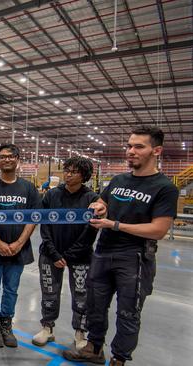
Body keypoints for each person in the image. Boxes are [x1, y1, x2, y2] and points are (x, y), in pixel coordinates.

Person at [63, 126, 178, 365]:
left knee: (128, 312)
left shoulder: (164, 187)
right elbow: (102, 201)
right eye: (129, 146)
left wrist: (114, 224)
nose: (131, 151)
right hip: (104, 252)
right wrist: (99, 207)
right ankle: (94, 349)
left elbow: (158, 229)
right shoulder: (118, 180)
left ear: (156, 150)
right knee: (95, 306)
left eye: (139, 147)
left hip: (134, 257)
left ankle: (119, 358)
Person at [32, 157, 99, 350]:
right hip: (50, 254)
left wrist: (68, 256)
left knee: (81, 294)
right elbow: (44, 226)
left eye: (74, 171)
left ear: (84, 175)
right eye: (67, 170)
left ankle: (80, 332)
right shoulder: (52, 195)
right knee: (49, 292)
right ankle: (47, 328)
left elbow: (90, 232)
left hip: (80, 257)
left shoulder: (91, 199)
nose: (68, 174)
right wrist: (54, 253)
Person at [0, 143, 40, 348]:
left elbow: (33, 217)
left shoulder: (28, 188)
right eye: (2, 156)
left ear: (18, 160)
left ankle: (6, 324)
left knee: (11, 289)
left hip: (19, 250)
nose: (6, 159)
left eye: (11, 156)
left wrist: (19, 242)